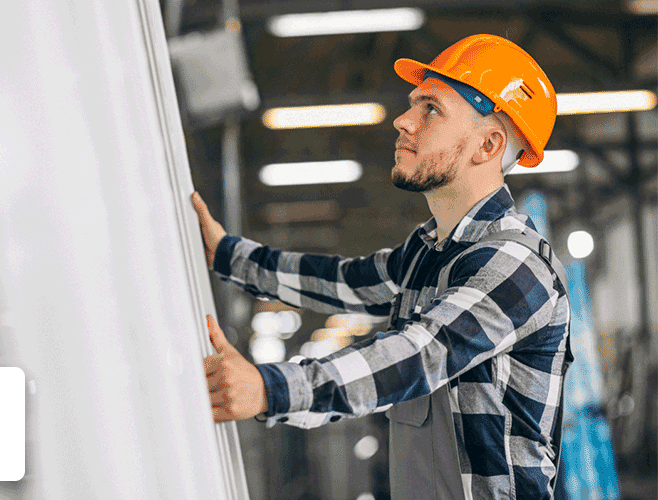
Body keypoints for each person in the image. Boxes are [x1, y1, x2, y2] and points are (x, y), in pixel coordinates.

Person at [193, 34, 572, 500]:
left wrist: (270, 388)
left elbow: (420, 353)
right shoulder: (429, 251)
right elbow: (345, 283)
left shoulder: (517, 266)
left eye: (430, 109)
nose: (403, 120)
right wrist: (228, 256)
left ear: (488, 145)